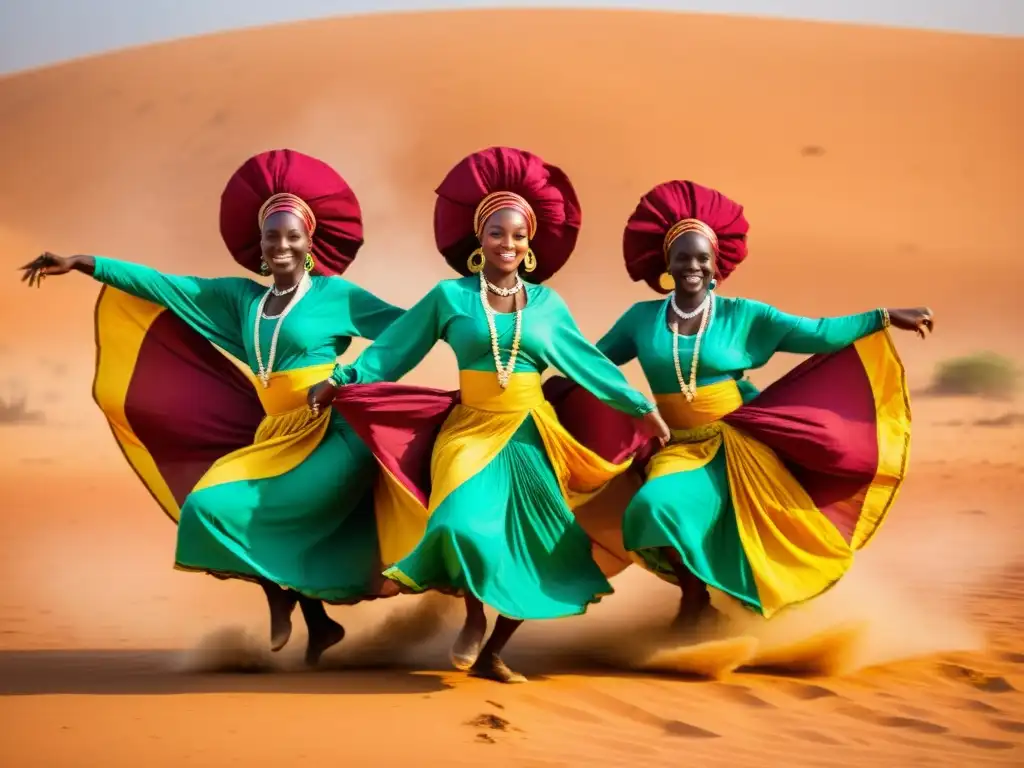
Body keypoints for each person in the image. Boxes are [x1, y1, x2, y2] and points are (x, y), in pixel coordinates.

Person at [20, 148, 410, 666]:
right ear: (260, 245)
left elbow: (407, 331)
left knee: (279, 517)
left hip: (332, 434)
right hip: (276, 436)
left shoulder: (337, 295)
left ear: (310, 243)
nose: (282, 246)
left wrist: (350, 377)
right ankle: (312, 619)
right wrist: (84, 263)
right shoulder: (241, 301)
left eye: (292, 236)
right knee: (207, 509)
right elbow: (163, 284)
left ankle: (308, 613)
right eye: (272, 236)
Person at [307, 147, 671, 683]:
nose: (508, 243)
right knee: (460, 523)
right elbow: (392, 351)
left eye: (518, 235)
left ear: (530, 245)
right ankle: (475, 615)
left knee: (536, 548)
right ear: (480, 238)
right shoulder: (449, 297)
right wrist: (341, 379)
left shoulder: (546, 305)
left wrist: (642, 409)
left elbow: (589, 365)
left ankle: (494, 651)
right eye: (497, 232)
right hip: (470, 431)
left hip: (531, 434)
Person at [544, 179, 933, 630]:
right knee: (653, 507)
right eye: (683, 257)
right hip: (677, 446)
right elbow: (593, 363)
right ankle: (695, 597)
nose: (692, 265)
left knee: (750, 535)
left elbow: (818, 333)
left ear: (715, 266)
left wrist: (884, 315)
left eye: (702, 258)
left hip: (736, 447)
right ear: (667, 262)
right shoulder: (641, 318)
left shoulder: (744, 315)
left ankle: (734, 612)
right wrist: (539, 372)